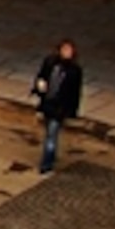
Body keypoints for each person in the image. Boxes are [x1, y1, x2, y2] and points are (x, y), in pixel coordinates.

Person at [30, 38, 84, 174]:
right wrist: (38, 87)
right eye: (64, 50)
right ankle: (51, 157)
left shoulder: (74, 71)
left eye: (69, 50)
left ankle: (46, 165)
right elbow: (41, 76)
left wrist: (72, 111)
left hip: (59, 108)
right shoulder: (50, 62)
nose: (67, 53)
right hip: (47, 103)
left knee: (51, 136)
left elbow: (75, 92)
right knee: (50, 133)